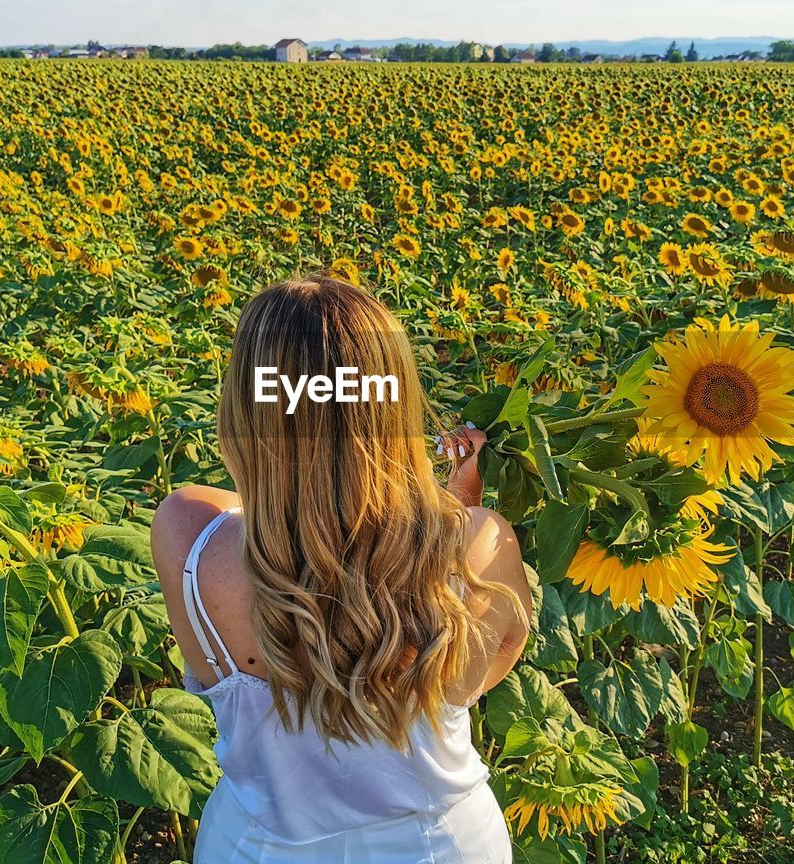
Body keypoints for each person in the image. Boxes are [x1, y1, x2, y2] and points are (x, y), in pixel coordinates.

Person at [152, 275, 532, 863]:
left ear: (246, 405)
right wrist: (451, 507)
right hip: (441, 846)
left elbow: (233, 502)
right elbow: (491, 662)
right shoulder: (479, 542)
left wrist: (291, 464)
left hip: (258, 847)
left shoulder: (187, 535)